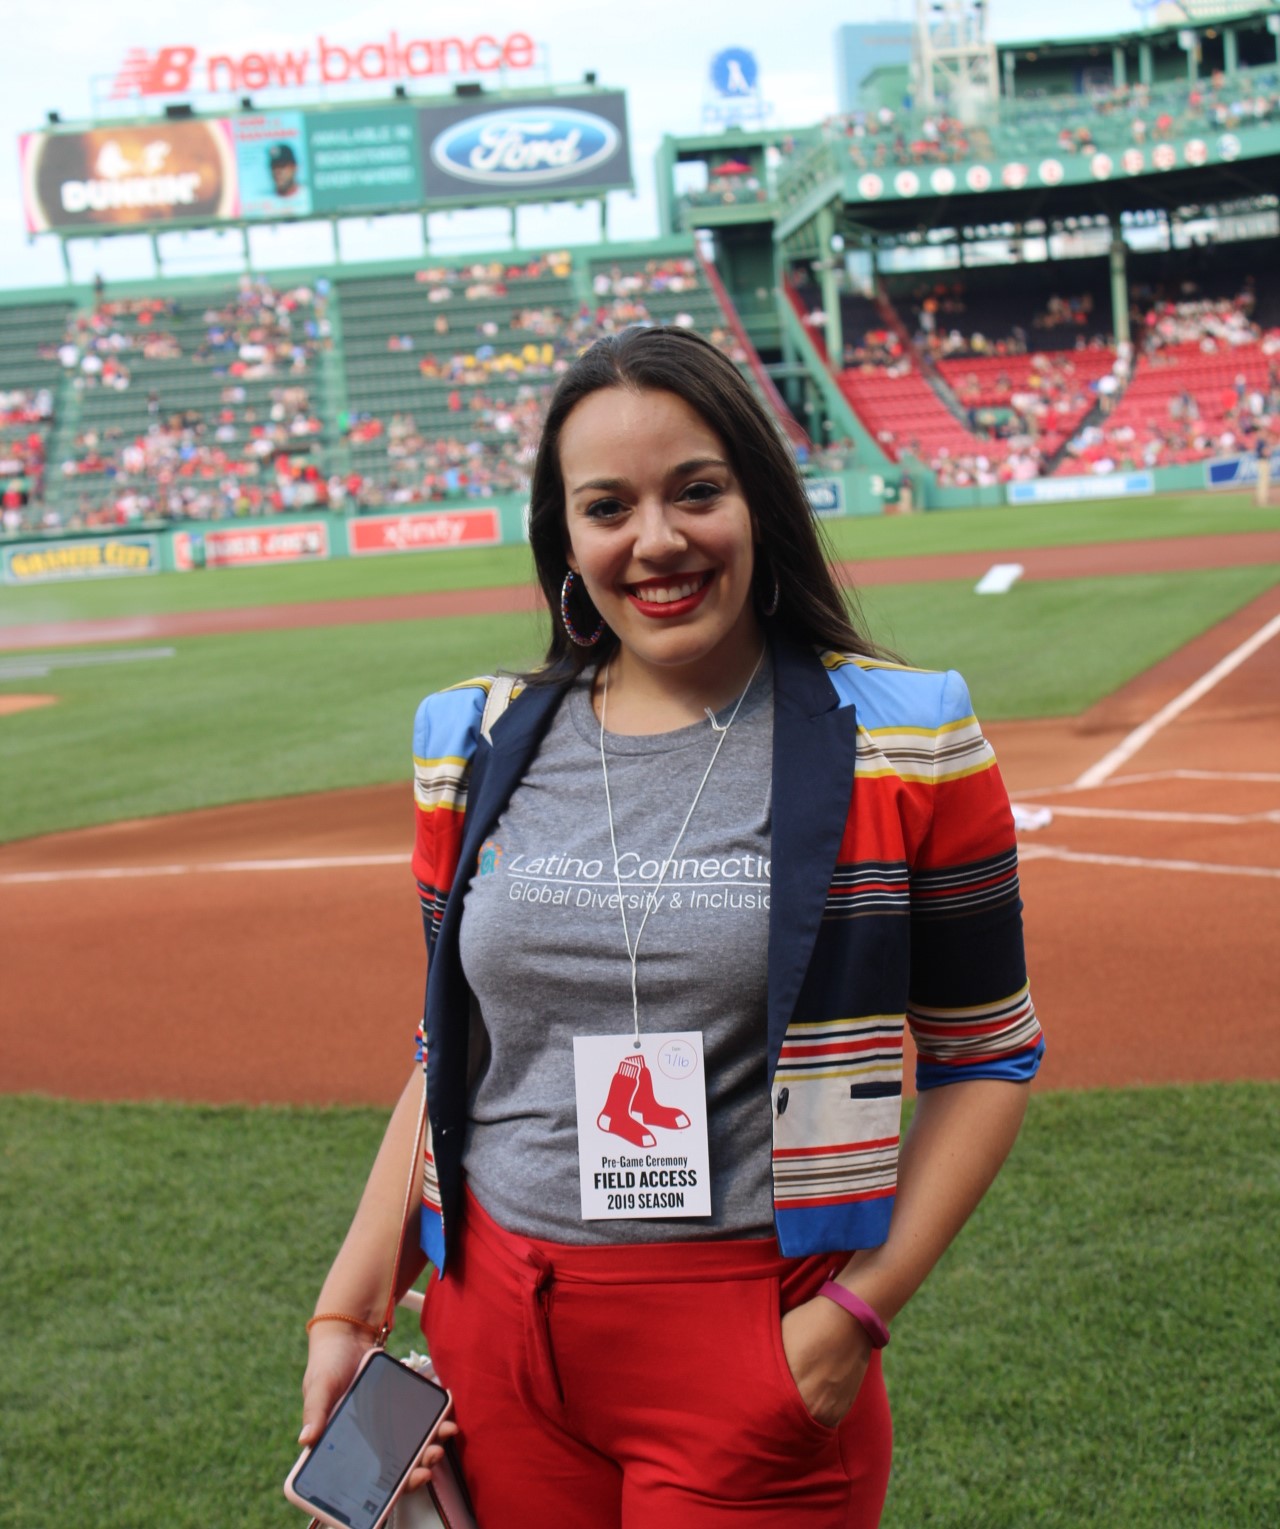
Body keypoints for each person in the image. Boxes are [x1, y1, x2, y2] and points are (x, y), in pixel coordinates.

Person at [299, 325, 1044, 1528]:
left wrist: (850, 1318)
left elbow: (986, 1053)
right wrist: (350, 1310)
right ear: (565, 538)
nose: (655, 540)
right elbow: (451, 1052)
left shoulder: (904, 739)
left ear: (755, 498)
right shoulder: (470, 740)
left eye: (694, 490)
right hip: (494, 1335)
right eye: (608, 506)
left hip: (749, 1337)